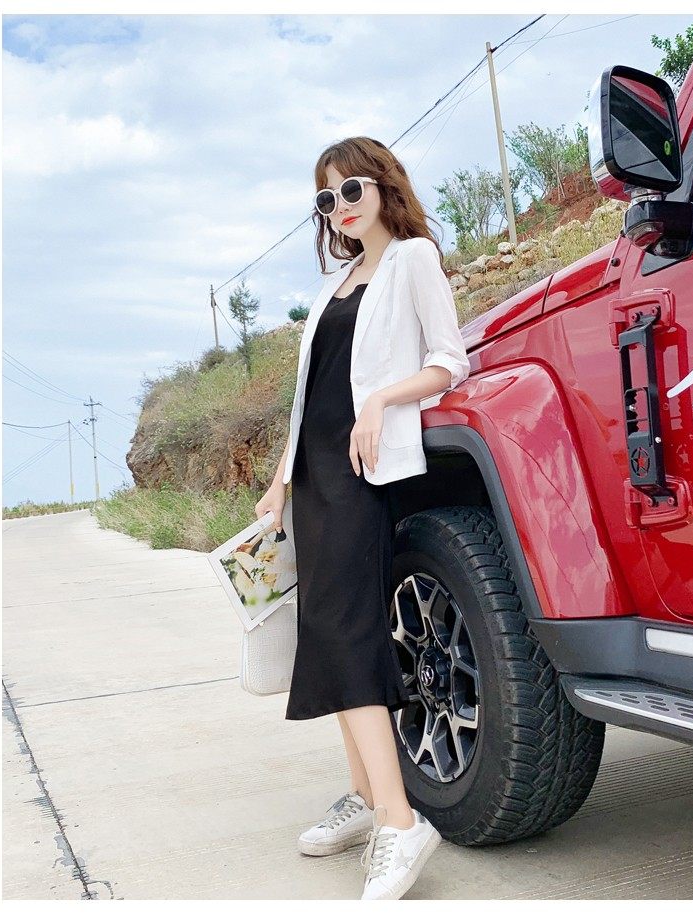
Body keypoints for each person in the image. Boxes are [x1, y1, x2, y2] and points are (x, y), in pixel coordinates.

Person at [254, 136, 471, 900]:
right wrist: (281, 481)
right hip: (313, 481)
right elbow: (309, 394)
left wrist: (381, 399)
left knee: (348, 635)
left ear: (381, 186)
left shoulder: (413, 260)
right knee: (326, 633)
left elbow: (450, 360)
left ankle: (399, 822)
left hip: (361, 474)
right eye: (326, 198)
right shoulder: (334, 283)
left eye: (351, 189)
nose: (340, 206)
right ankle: (363, 793)